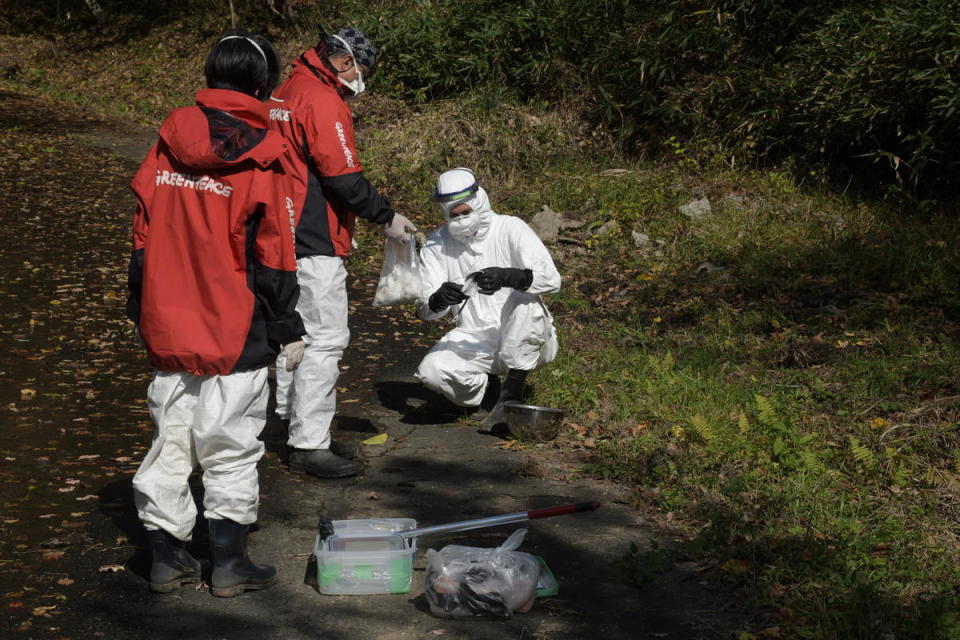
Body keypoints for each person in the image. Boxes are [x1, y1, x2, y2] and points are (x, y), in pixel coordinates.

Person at [126, 31, 305, 597]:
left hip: (167, 316)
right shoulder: (266, 154)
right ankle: (228, 564)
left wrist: (141, 306)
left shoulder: (166, 142)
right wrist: (287, 324)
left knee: (171, 438)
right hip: (235, 323)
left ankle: (165, 558)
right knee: (229, 441)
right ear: (262, 84)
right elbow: (274, 254)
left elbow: (141, 234)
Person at [269, 27, 416, 478]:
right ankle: (309, 444)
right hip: (312, 235)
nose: (360, 80)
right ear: (344, 62)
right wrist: (386, 216)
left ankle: (293, 424)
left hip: (279, 230)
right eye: (362, 70)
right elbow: (343, 175)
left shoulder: (286, 89)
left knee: (294, 335)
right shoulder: (321, 98)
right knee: (324, 339)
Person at [416, 168, 561, 433]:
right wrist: (439, 299)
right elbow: (425, 310)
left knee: (525, 302)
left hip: (528, 338)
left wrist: (510, 276)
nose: (460, 220)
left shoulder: (510, 227)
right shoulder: (437, 242)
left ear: (478, 202)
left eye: (466, 212)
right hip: (474, 337)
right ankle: (489, 393)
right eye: (454, 215)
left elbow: (552, 279)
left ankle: (511, 396)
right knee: (432, 371)